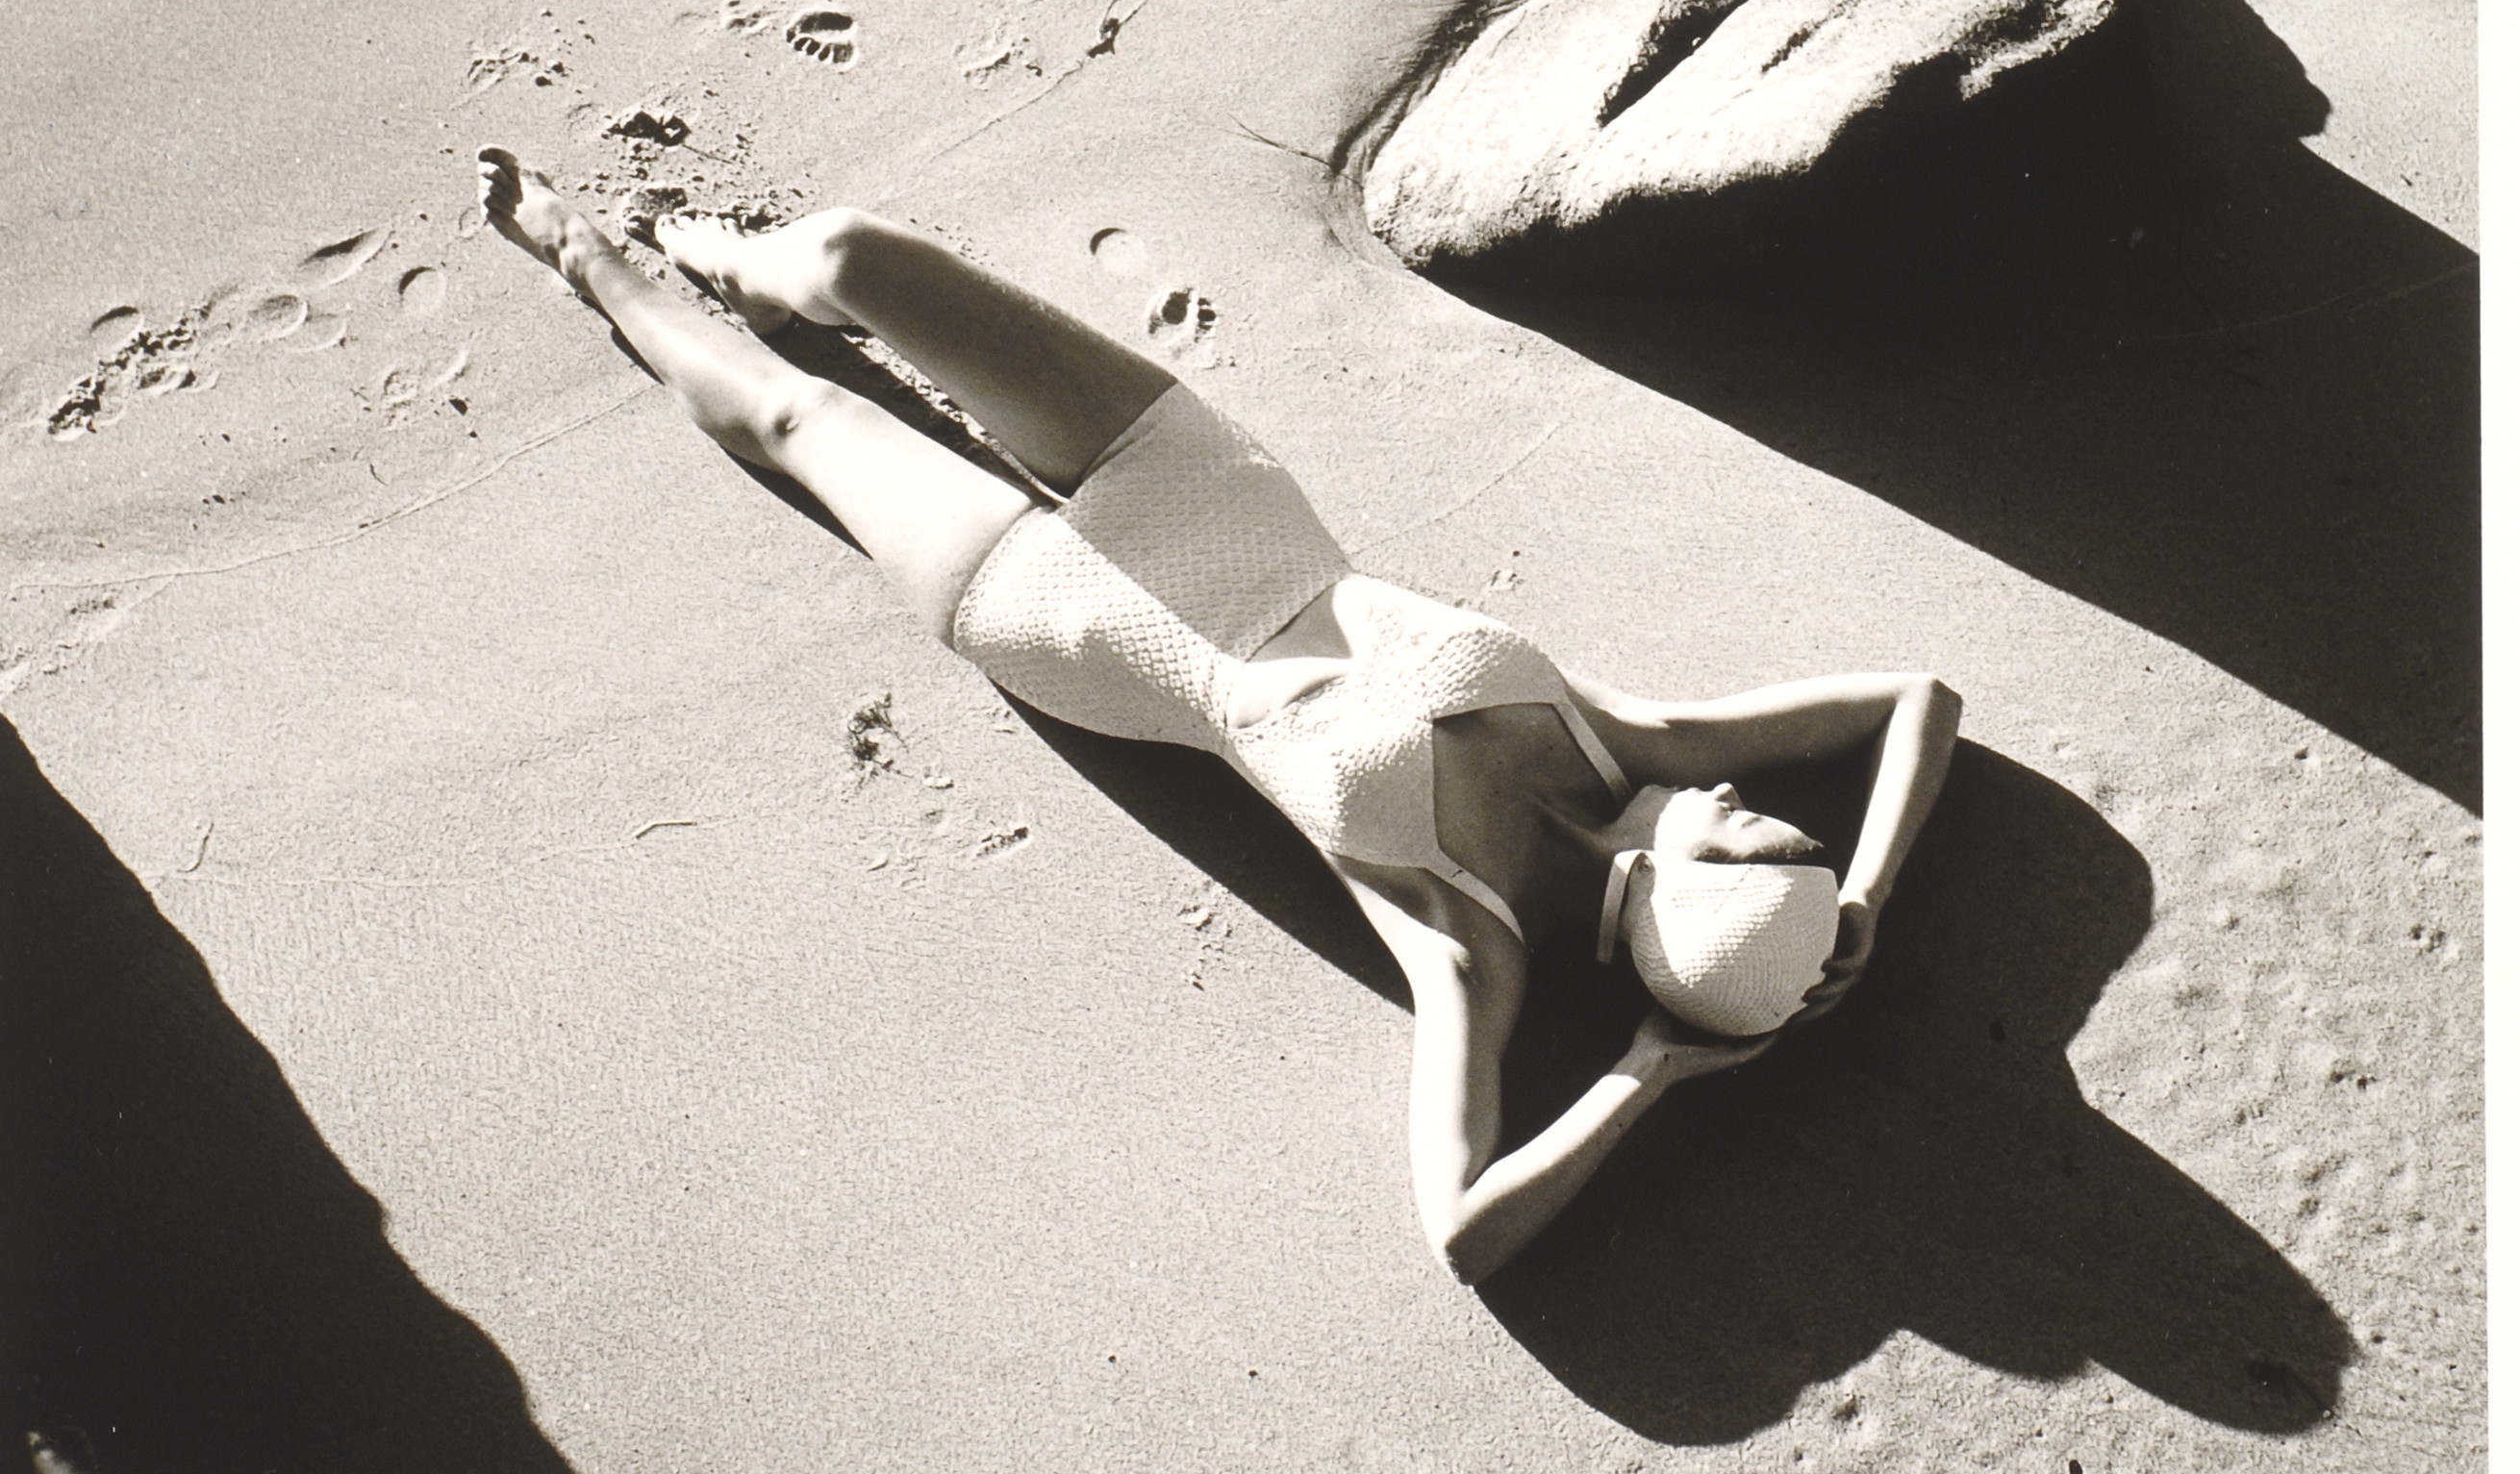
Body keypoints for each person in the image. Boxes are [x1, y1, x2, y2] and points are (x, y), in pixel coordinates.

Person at [477, 153, 1960, 1283]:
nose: (1772, 810)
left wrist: (1656, 1068)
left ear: (1698, 899)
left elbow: (1464, 1232)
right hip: (1209, 490)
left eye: (1770, 839)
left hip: (1069, 623)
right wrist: (1867, 900)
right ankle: (730, 253)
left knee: (802, 423)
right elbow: (1916, 702)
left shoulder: (1470, 948)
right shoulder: (1631, 743)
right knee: (861, 258)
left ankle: (594, 259)